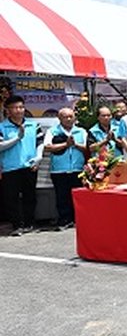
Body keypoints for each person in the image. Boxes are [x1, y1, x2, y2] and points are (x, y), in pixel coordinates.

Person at [0, 95, 42, 236]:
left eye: (21, 107)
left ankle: (29, 223)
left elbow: (40, 143)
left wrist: (38, 157)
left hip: (29, 166)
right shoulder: (2, 126)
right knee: (11, 198)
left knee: (30, 196)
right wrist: (17, 138)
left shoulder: (33, 125)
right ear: (8, 110)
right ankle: (17, 225)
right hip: (10, 167)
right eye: (14, 108)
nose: (18, 110)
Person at [43, 107, 87, 230]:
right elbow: (48, 147)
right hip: (59, 169)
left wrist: (75, 145)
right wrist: (65, 145)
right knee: (62, 196)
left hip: (77, 169)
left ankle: (77, 219)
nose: (68, 119)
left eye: (70, 116)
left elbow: (86, 148)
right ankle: (64, 220)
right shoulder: (53, 131)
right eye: (65, 117)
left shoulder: (81, 131)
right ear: (59, 118)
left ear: (74, 118)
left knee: (78, 196)